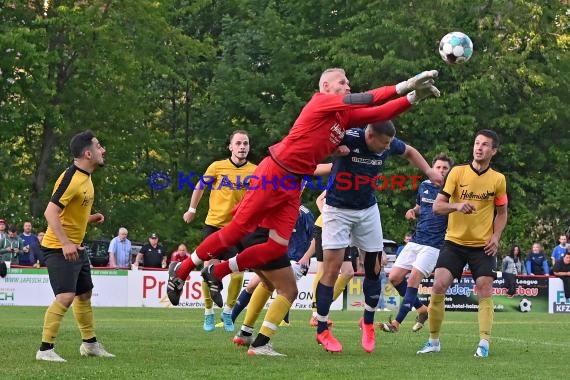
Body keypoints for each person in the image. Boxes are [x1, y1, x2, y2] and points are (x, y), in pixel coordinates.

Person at [167, 67, 442, 314]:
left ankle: (217, 271)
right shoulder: (321, 101)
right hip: (274, 173)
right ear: (325, 87)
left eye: (348, 82)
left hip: (293, 183)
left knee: (275, 247)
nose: (348, 85)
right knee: (238, 229)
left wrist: (413, 98)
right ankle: (182, 269)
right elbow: (367, 99)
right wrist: (404, 85)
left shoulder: (341, 118)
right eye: (342, 82)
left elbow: (378, 114)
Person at [314, 121, 444, 353]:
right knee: (332, 270)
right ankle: (322, 328)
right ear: (370, 135)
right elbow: (315, 149)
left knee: (375, 269)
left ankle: (367, 322)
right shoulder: (349, 137)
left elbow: (411, 151)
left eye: (389, 144)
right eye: (383, 143)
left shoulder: (388, 143)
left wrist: (429, 171)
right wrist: (333, 150)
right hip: (337, 209)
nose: (387, 148)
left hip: (367, 210)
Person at [417, 129, 508, 359]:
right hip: (454, 242)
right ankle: (433, 341)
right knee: (438, 285)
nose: (479, 147)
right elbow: (437, 206)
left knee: (485, 286)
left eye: (485, 145)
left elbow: (502, 212)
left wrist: (496, 237)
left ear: (493, 151)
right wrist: (456, 206)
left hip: (482, 245)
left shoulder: (498, 179)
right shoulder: (457, 173)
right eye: (477, 143)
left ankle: (484, 343)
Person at [36, 130, 114, 362]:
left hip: (74, 246)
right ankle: (45, 349)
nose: (103, 150)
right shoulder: (71, 178)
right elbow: (50, 212)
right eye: (99, 146)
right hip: (58, 247)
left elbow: (70, 214)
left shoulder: (86, 177)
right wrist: (66, 243)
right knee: (66, 296)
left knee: (84, 294)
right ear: (88, 153)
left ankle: (89, 344)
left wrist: (89, 218)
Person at [179, 130, 256, 333]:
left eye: (245, 143)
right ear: (230, 147)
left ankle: (228, 312)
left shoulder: (255, 171)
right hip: (214, 225)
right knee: (208, 270)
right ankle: (208, 312)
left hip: (238, 229)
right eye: (238, 143)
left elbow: (261, 196)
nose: (242, 147)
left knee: (238, 274)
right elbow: (200, 186)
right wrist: (192, 209)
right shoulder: (217, 166)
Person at [378, 153, 453, 333]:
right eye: (438, 167)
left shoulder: (452, 190)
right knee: (394, 278)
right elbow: (421, 207)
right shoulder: (424, 186)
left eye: (445, 168)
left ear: (449, 172)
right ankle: (421, 309)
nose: (441, 171)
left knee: (412, 279)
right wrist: (413, 210)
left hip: (433, 245)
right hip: (416, 240)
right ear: (432, 169)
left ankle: (396, 323)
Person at [231, 205, 314, 356]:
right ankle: (260, 343)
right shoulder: (301, 211)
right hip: (285, 257)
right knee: (288, 291)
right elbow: (316, 237)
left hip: (252, 243)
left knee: (265, 284)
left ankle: (245, 332)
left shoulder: (273, 203)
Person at [306, 191, 354, 327]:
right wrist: (326, 215)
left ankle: (323, 305)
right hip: (324, 227)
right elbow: (319, 199)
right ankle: (316, 313)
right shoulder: (339, 179)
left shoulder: (359, 184)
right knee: (323, 268)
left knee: (348, 272)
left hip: (343, 230)